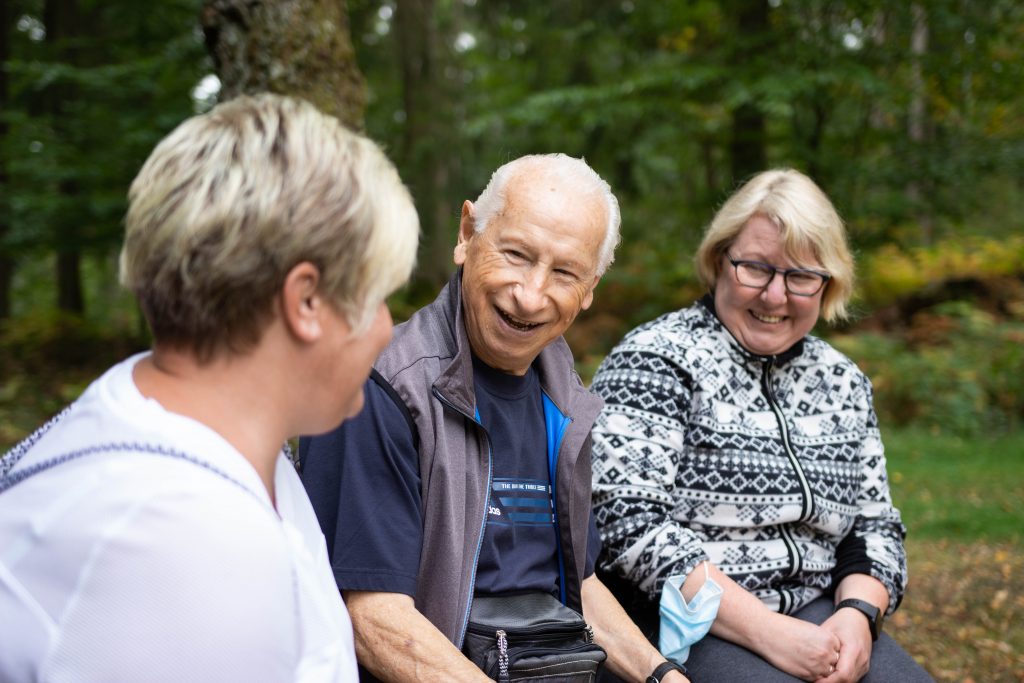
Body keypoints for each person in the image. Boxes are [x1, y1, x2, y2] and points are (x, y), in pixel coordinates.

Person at [0, 93, 419, 682]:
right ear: (306, 302)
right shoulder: (181, 553)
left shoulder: (225, 450)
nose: (385, 328)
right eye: (378, 296)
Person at [300, 154, 689, 683]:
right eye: (516, 254)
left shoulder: (564, 397)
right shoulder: (382, 386)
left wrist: (661, 675)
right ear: (467, 234)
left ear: (591, 286)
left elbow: (581, 584)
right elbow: (371, 619)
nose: (530, 295)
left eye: (565, 272)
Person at [589, 169, 933, 682]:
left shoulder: (842, 381)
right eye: (755, 268)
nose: (774, 297)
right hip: (682, 624)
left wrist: (859, 617)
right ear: (719, 260)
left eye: (800, 277)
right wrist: (769, 633)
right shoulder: (654, 359)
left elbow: (874, 524)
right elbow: (628, 526)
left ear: (829, 282)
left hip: (820, 614)